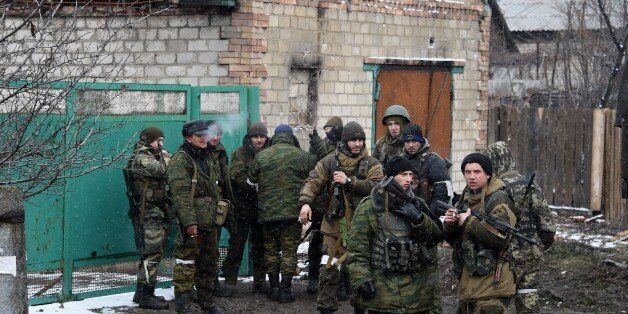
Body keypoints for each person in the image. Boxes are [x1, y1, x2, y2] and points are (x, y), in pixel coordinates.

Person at [299, 122, 384, 314]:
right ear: (345, 141)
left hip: (363, 226)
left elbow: (377, 187)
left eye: (360, 139)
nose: (357, 144)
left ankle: (361, 308)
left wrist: (350, 181)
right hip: (335, 224)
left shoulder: (372, 164)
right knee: (330, 269)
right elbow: (313, 181)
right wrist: (305, 202)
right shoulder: (329, 162)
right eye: (353, 140)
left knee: (362, 270)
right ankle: (326, 308)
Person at [347, 156, 443, 313]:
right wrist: (362, 279)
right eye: (403, 174)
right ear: (390, 176)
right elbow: (357, 250)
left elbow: (433, 240)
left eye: (411, 175)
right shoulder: (370, 206)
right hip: (382, 294)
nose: (408, 179)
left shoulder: (417, 204)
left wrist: (419, 219)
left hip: (416, 294)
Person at [247, 124, 316, 303]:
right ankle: (285, 290)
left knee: (270, 251)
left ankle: (274, 288)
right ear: (292, 137)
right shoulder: (303, 156)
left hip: (267, 214)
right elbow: (314, 180)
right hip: (293, 214)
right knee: (289, 251)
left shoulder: (262, 156)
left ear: (274, 137)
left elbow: (250, 181)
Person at [485, 142, 556, 313]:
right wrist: (537, 247)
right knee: (528, 299)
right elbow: (548, 227)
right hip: (529, 255)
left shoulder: (492, 188)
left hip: (501, 258)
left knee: (494, 304)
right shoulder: (531, 185)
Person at [442, 153, 517, 314]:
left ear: (488, 174)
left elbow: (499, 240)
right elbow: (458, 242)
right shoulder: (466, 198)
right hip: (470, 283)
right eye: (467, 172)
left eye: (477, 172)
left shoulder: (499, 199)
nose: (472, 177)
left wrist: (469, 222)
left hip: (492, 286)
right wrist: (450, 226)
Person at [168, 120, 225, 313]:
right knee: (186, 261)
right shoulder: (181, 159)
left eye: (205, 134)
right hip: (192, 222)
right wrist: (189, 221)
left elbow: (216, 190)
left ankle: (206, 303)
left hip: (210, 221)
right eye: (199, 135)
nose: (204, 138)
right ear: (188, 137)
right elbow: (180, 194)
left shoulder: (208, 156)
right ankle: (183, 304)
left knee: (209, 262)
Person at [220, 122, 270, 296]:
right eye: (256, 137)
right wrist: (255, 185)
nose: (259, 140)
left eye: (262, 137)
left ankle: (260, 282)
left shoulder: (269, 152)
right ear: (250, 138)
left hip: (262, 208)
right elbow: (237, 175)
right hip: (242, 208)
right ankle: (230, 281)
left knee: (260, 247)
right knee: (236, 246)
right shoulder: (240, 153)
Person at [126, 126, 171, 310]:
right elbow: (163, 170)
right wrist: (167, 157)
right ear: (147, 139)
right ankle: (146, 296)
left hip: (156, 212)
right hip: (149, 213)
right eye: (157, 140)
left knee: (150, 253)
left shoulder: (150, 156)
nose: (160, 144)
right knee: (151, 255)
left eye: (162, 141)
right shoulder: (141, 158)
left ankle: (142, 293)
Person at [306, 116, 344, 294]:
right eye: (326, 129)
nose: (327, 132)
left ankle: (342, 283)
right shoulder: (319, 144)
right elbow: (316, 165)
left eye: (330, 129)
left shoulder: (344, 145)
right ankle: (313, 277)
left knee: (340, 243)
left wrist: (316, 143)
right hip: (320, 202)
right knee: (316, 241)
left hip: (337, 203)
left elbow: (332, 161)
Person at [202, 120, 236, 298]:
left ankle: (212, 284)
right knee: (202, 248)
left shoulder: (220, 151)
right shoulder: (198, 152)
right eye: (213, 133)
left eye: (219, 134)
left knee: (213, 247)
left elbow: (224, 181)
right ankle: (202, 285)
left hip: (219, 206)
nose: (216, 138)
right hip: (202, 208)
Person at [402, 123, 452, 215]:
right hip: (406, 212)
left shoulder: (433, 160)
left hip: (427, 214)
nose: (410, 145)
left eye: (414, 141)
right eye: (407, 142)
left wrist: (429, 214)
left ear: (420, 141)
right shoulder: (400, 160)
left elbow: (442, 194)